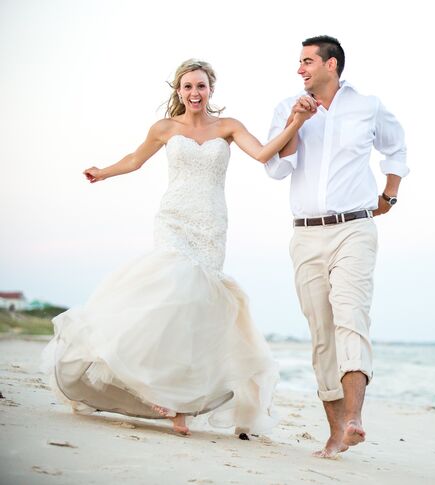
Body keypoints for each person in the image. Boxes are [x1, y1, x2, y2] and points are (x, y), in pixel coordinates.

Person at [42, 59, 313, 436]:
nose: (194, 93)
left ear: (211, 89)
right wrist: (103, 171)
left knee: (195, 311)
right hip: (173, 219)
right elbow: (136, 160)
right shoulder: (165, 128)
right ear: (178, 91)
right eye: (187, 87)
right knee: (171, 291)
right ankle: (147, 383)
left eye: (200, 86)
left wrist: (296, 122)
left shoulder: (229, 127)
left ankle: (180, 405)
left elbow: (265, 153)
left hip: (211, 225)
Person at [266, 35, 409, 457]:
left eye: (307, 61)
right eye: (299, 62)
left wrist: (390, 196)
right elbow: (276, 167)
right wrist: (295, 121)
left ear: (331, 65)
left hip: (354, 228)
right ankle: (334, 432)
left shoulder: (368, 106)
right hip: (306, 232)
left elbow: (396, 148)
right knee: (322, 333)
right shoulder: (287, 107)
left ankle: (354, 419)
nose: (300, 69)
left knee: (351, 316)